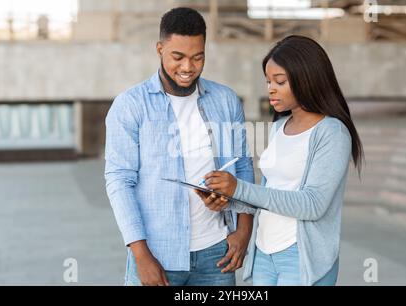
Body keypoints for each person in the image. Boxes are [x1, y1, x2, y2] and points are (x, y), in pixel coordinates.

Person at [196, 35, 364, 286]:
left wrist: (239, 187)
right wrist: (228, 200)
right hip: (264, 252)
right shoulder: (278, 127)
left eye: (280, 81)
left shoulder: (332, 132)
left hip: (300, 257)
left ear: (306, 78)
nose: (271, 89)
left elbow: (313, 204)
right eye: (268, 81)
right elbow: (268, 193)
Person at [105, 7, 254, 286]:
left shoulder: (226, 100)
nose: (188, 67)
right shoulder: (130, 106)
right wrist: (141, 256)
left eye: (198, 57)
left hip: (216, 255)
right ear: (160, 48)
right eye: (178, 57)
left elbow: (241, 164)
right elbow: (119, 181)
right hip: (156, 255)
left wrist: (244, 231)